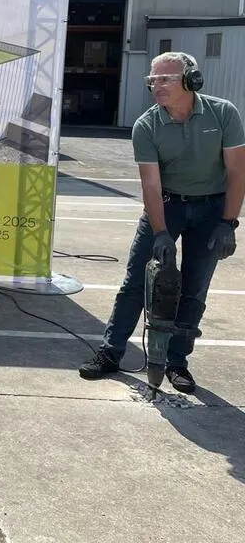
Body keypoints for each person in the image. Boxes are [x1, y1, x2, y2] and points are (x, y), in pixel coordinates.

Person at [79, 52, 244, 393]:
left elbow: (237, 171)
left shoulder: (223, 113)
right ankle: (111, 351)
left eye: (166, 79)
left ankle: (176, 361)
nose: (157, 86)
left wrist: (228, 223)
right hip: (167, 205)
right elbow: (151, 185)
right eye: (152, 80)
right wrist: (160, 232)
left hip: (211, 209)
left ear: (191, 80)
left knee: (194, 287)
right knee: (136, 281)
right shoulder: (147, 125)